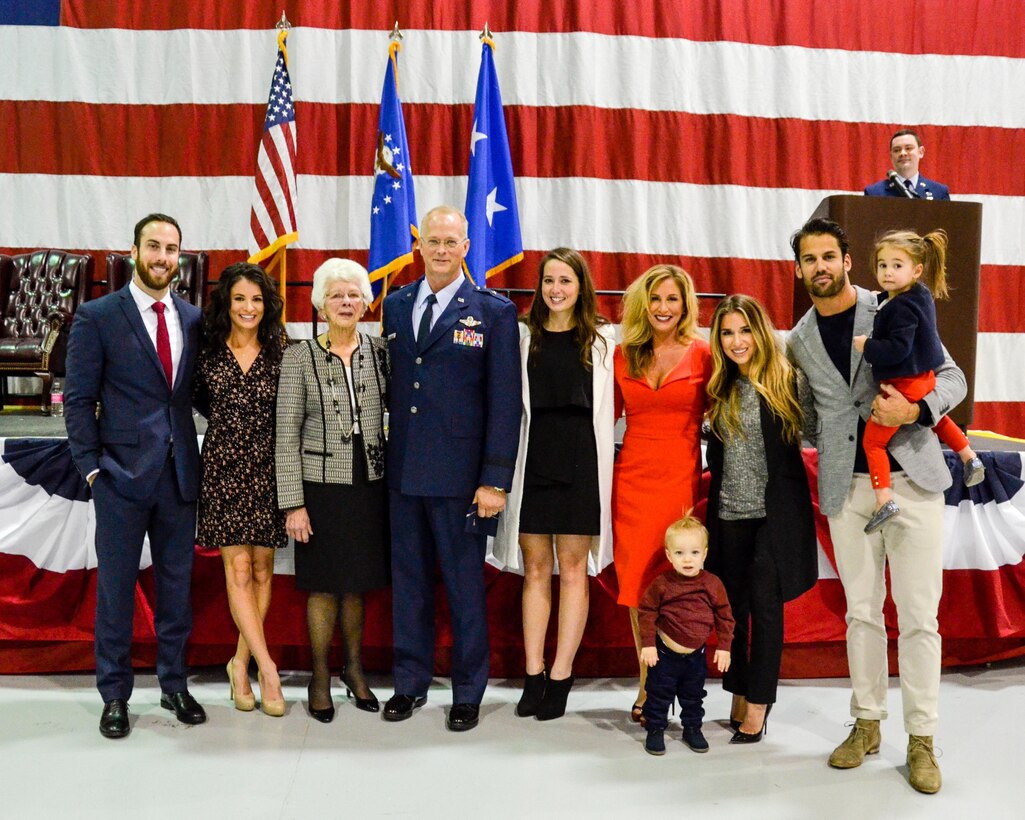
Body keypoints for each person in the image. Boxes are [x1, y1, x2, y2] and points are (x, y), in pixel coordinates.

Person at [787, 217, 967, 794]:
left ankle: (921, 739)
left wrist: (916, 413)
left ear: (846, 260)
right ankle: (866, 723)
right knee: (861, 613)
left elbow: (952, 376)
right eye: (808, 259)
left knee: (918, 618)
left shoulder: (894, 301)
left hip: (911, 480)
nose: (820, 267)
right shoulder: (798, 340)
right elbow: (808, 416)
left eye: (828, 256)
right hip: (848, 489)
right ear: (799, 269)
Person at [65, 213, 206, 738]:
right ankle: (115, 695)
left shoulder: (194, 319)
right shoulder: (98, 316)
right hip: (119, 478)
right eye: (154, 246)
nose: (163, 257)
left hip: (178, 478)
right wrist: (91, 470)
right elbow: (78, 400)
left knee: (176, 590)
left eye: (172, 249)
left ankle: (174, 685)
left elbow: (199, 395)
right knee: (117, 591)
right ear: (134, 250)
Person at [382, 205, 520, 732]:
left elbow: (504, 402)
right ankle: (410, 683)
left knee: (464, 589)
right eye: (432, 241)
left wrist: (494, 479)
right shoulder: (395, 306)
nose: (441, 250)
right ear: (420, 247)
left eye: (451, 242)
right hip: (403, 473)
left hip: (463, 479)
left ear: (467, 248)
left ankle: (468, 691)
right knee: (409, 584)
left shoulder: (492, 312)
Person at [491, 248, 615, 721]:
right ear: (539, 288)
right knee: (536, 568)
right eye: (548, 281)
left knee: (574, 569)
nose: (556, 289)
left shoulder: (603, 340)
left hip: (582, 464)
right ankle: (533, 672)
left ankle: (562, 674)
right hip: (534, 461)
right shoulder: (523, 339)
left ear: (581, 286)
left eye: (565, 280)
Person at [275, 259, 390, 723]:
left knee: (358, 585)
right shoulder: (299, 356)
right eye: (337, 295)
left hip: (371, 484)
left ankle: (355, 670)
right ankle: (320, 676)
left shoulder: (381, 350)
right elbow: (285, 432)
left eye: (354, 295)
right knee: (323, 586)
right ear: (321, 303)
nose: (346, 303)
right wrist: (293, 503)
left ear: (365, 303)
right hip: (319, 490)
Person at [704, 294, 818, 744]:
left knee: (767, 610)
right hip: (730, 512)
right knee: (734, 610)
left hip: (776, 516)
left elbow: (815, 430)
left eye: (745, 330)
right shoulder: (719, 387)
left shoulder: (788, 381)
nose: (737, 341)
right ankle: (738, 686)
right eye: (728, 332)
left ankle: (758, 703)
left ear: (761, 332)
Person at [612, 264, 712, 723]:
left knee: (676, 585)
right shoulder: (622, 355)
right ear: (643, 304)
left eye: (672, 299)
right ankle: (648, 683)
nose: (663, 308)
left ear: (686, 305)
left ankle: (678, 681)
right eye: (656, 299)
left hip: (679, 484)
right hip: (631, 483)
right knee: (637, 590)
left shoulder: (705, 354)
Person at [194, 262, 288, 716]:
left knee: (264, 570)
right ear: (225, 305)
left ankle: (240, 662)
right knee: (239, 569)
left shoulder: (282, 351)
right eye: (239, 299)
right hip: (224, 468)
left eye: (256, 299)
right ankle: (267, 670)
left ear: (266, 304)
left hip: (270, 468)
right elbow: (195, 400)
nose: (248, 308)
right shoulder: (207, 352)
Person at [854, 229, 984, 533]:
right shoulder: (918, 295)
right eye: (882, 265)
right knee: (936, 419)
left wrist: (868, 346)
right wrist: (884, 299)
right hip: (924, 379)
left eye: (897, 266)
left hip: (904, 383)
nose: (887, 272)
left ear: (916, 270)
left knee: (873, 442)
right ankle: (969, 456)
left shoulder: (900, 307)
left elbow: (898, 347)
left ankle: (883, 499)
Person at [637, 516, 733, 756]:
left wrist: (724, 647)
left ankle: (692, 728)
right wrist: (648, 644)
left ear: (705, 554)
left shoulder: (712, 584)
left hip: (695, 657)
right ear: (669, 556)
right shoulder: (662, 583)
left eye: (694, 552)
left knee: (694, 696)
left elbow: (724, 616)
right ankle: (655, 728)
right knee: (658, 693)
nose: (687, 559)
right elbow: (647, 612)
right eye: (679, 553)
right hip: (664, 656)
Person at [863, 129, 950, 200]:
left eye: (908, 148)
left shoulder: (939, 192)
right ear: (891, 156)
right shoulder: (874, 193)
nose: (903, 153)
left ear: (921, 152)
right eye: (897, 150)